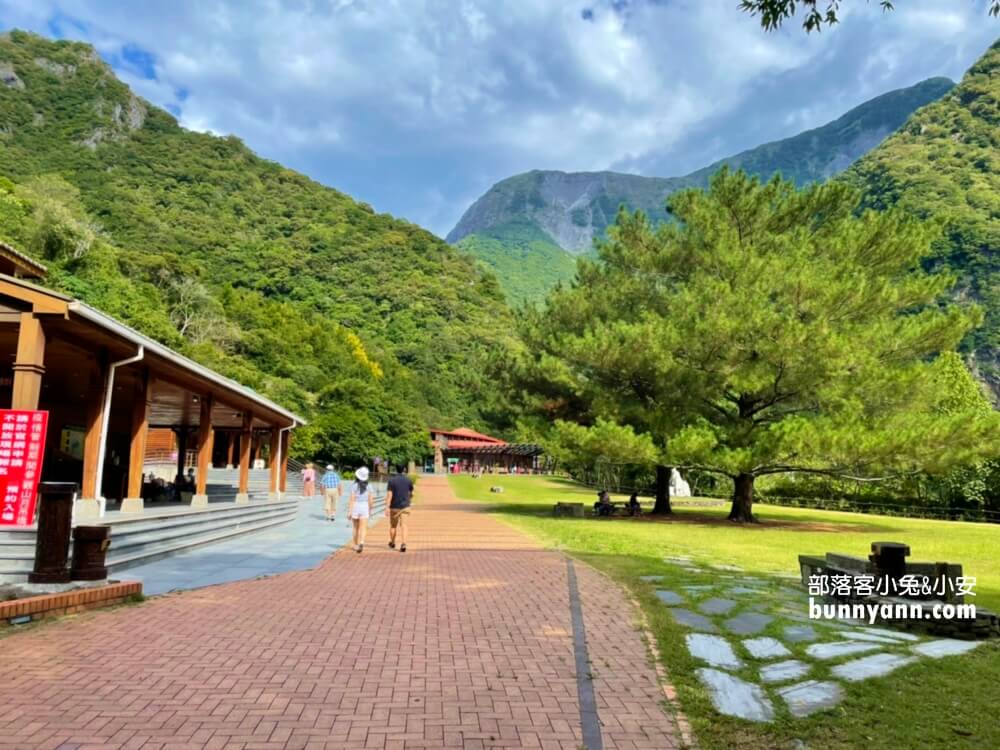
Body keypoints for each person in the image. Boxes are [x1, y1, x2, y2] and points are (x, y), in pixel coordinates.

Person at [385, 464, 414, 552]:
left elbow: (389, 495)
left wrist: (387, 507)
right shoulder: (408, 480)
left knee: (393, 526)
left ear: (396, 470)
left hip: (394, 506)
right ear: (404, 469)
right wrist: (409, 499)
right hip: (405, 506)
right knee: (404, 525)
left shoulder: (391, 481)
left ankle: (393, 542)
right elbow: (411, 492)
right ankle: (403, 543)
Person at [348, 467, 373, 553]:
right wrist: (370, 510)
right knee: (363, 527)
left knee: (355, 527)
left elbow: (352, 499)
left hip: (356, 506)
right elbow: (371, 500)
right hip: (365, 506)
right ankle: (362, 542)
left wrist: (349, 511)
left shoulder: (354, 486)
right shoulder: (369, 486)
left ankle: (355, 544)